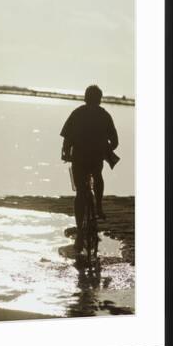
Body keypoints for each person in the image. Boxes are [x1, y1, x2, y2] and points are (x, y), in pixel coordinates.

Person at [60, 85, 119, 248]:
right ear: (99, 99)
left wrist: (65, 153)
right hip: (96, 157)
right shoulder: (104, 115)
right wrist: (106, 148)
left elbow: (66, 139)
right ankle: (99, 207)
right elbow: (115, 141)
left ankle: (80, 230)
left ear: (85, 98)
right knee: (98, 176)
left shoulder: (77, 113)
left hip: (78, 158)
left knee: (80, 192)